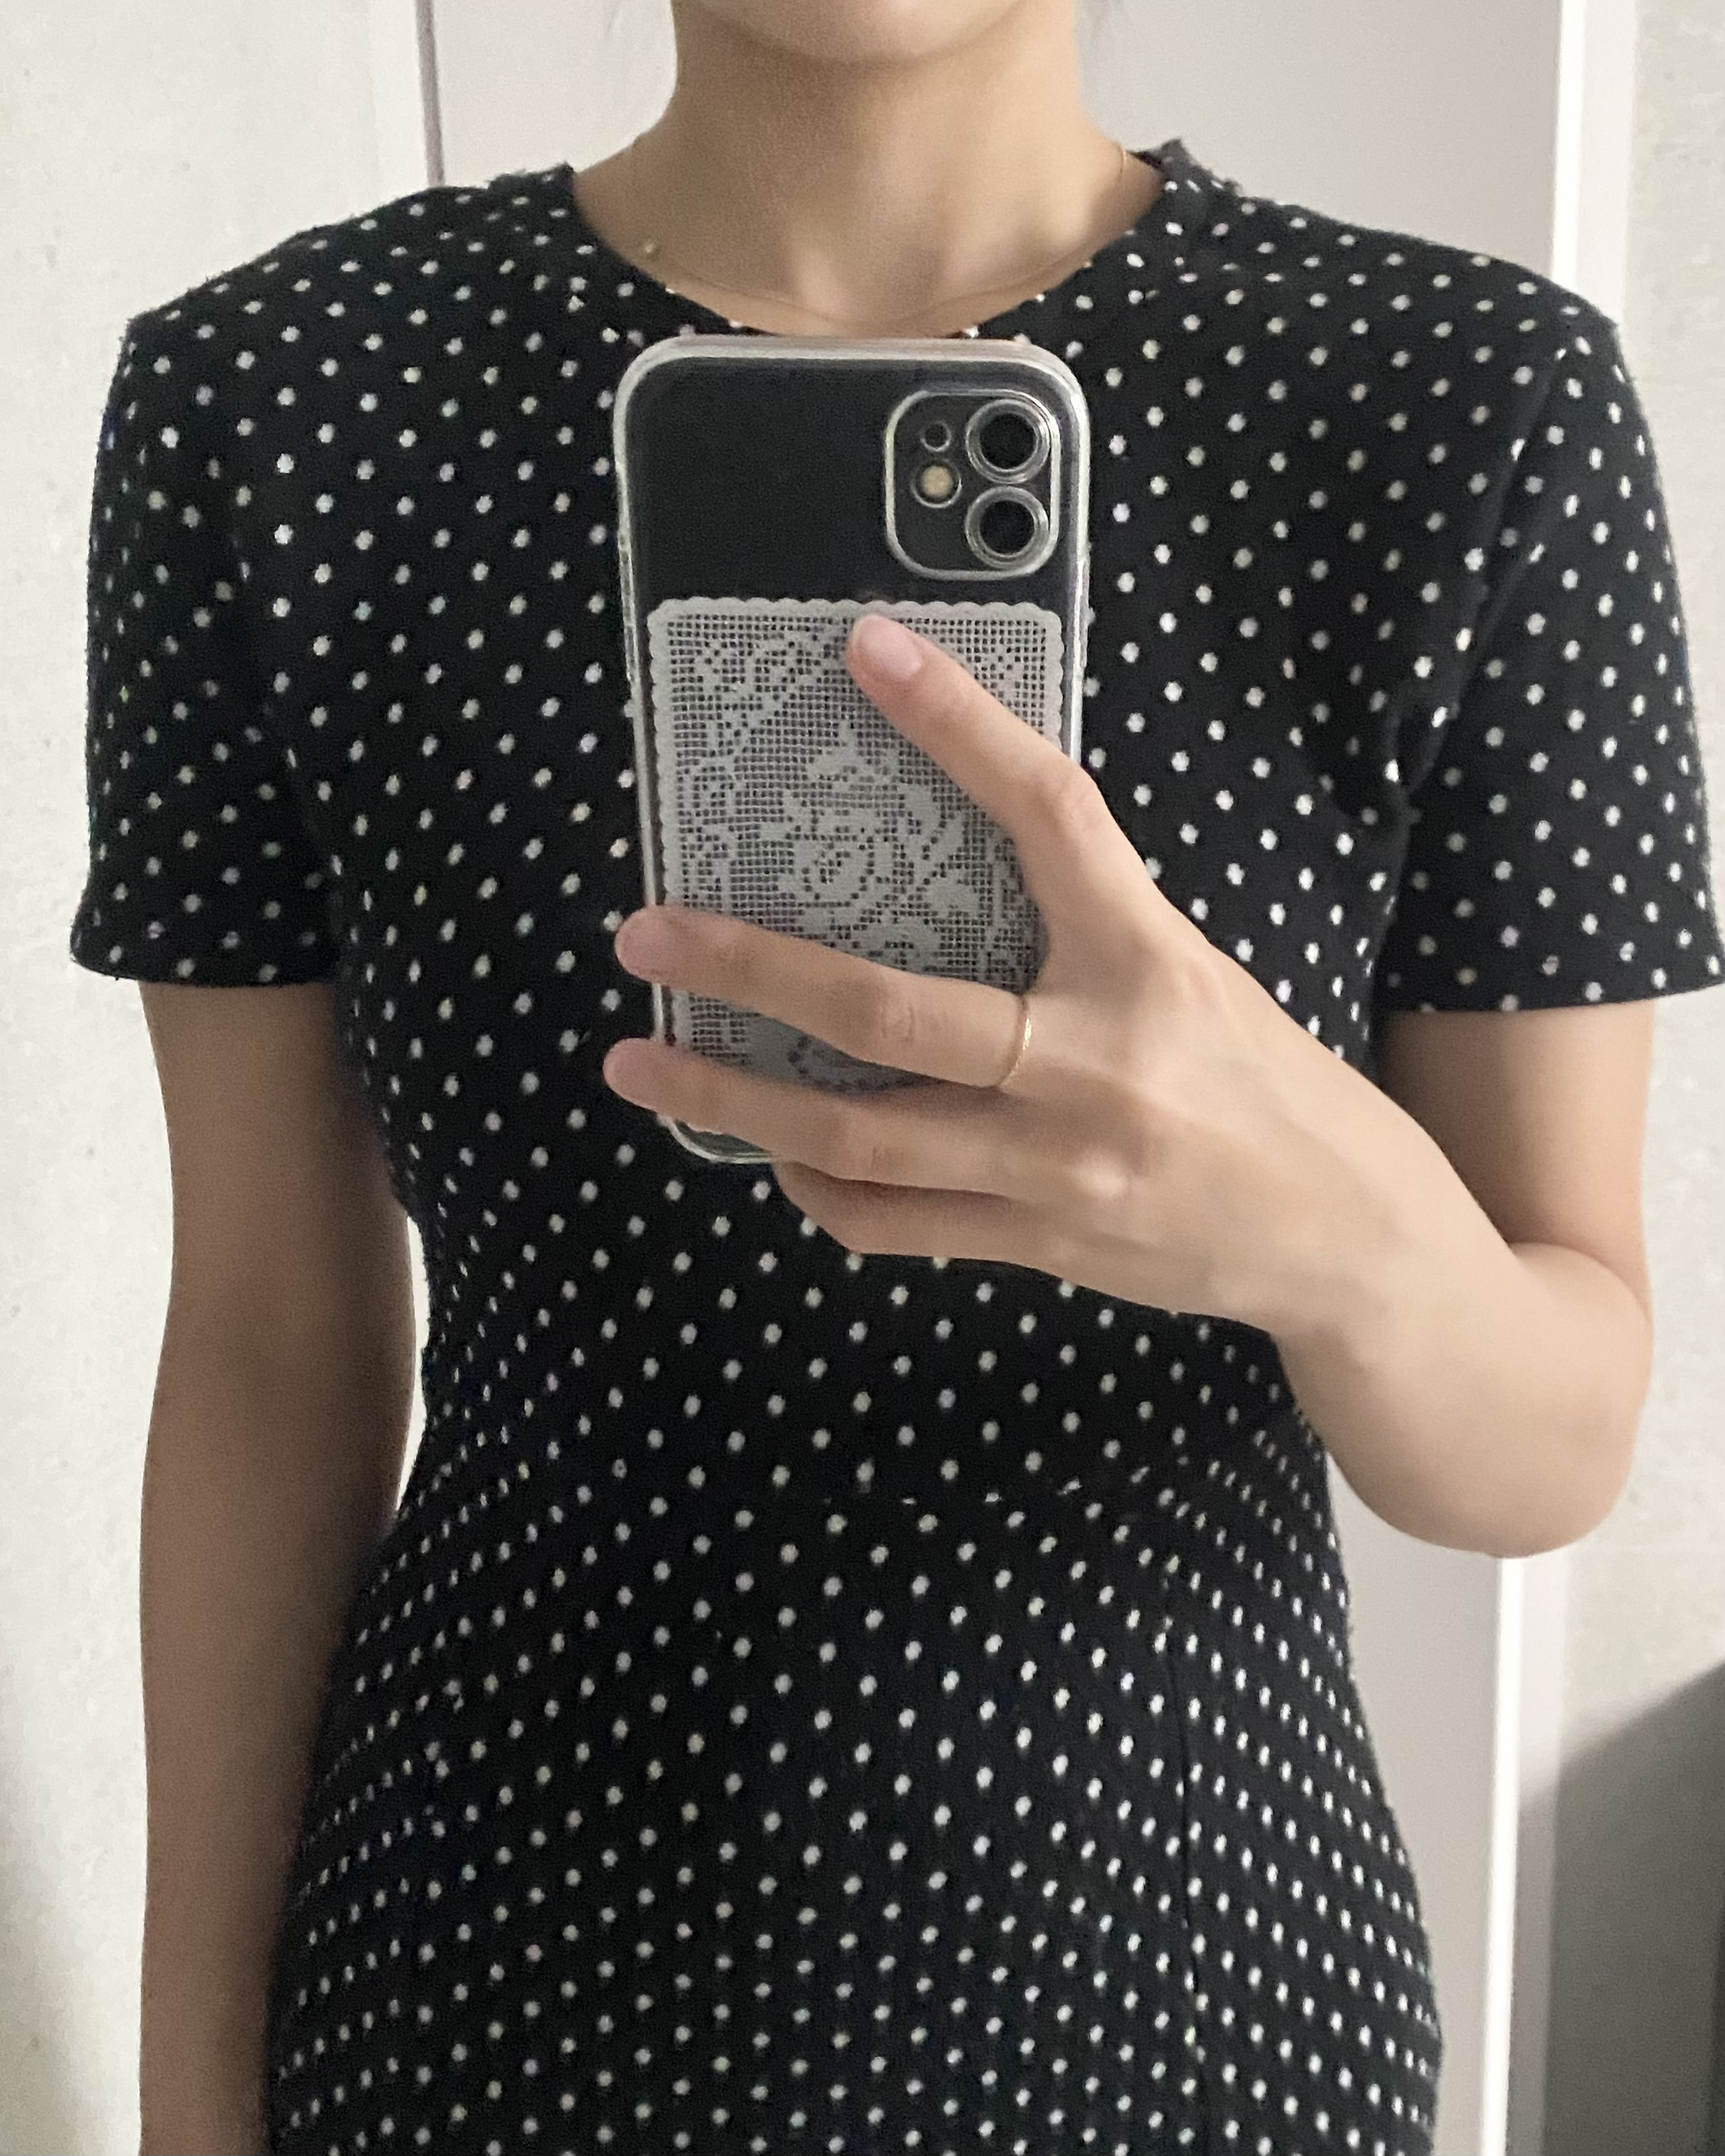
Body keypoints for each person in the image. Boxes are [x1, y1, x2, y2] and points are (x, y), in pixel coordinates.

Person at [74, 2, 1722, 2153]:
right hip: (479, 2007)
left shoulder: (1465, 404)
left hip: (1197, 2016)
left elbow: (1552, 1439)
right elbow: (269, 1348)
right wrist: (189, 2097)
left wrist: (1340, 1235)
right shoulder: (283, 403)